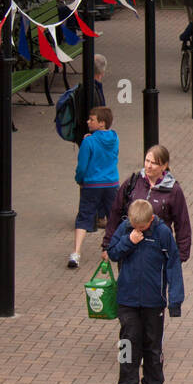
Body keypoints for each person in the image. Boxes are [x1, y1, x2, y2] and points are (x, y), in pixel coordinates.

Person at [107, 199, 183, 384]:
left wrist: (175, 301)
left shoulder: (162, 234)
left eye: (142, 227)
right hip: (127, 300)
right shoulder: (126, 229)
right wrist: (128, 241)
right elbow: (112, 252)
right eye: (134, 226)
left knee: (152, 345)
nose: (138, 230)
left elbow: (173, 265)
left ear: (151, 219)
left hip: (153, 302)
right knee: (127, 344)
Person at [103, 145, 192, 264]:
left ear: (164, 166)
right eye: (147, 161)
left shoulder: (173, 190)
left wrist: (180, 256)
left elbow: (182, 223)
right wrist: (107, 244)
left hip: (157, 251)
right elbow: (115, 213)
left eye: (154, 163)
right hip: (130, 246)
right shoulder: (132, 182)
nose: (149, 166)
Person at [70, 106, 119, 269]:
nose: (88, 121)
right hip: (111, 183)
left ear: (102, 123)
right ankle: (114, 248)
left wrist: (79, 179)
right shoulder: (115, 138)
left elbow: (82, 166)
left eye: (92, 119)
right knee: (114, 216)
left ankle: (76, 253)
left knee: (84, 217)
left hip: (91, 184)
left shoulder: (88, 142)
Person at [69, 54, 108, 147]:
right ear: (102, 72)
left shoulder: (85, 87)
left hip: (83, 134)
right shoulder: (93, 90)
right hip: (90, 136)